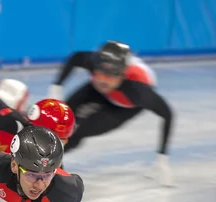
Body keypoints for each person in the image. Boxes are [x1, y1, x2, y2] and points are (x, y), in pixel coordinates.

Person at [48, 41, 175, 186]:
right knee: (61, 116)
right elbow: (76, 57)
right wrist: (56, 86)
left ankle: (47, 160)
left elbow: (168, 115)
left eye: (110, 76)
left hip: (124, 106)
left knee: (81, 131)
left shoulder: (138, 91)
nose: (103, 79)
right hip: (96, 91)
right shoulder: (94, 65)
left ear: (122, 75)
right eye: (99, 73)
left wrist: (162, 158)